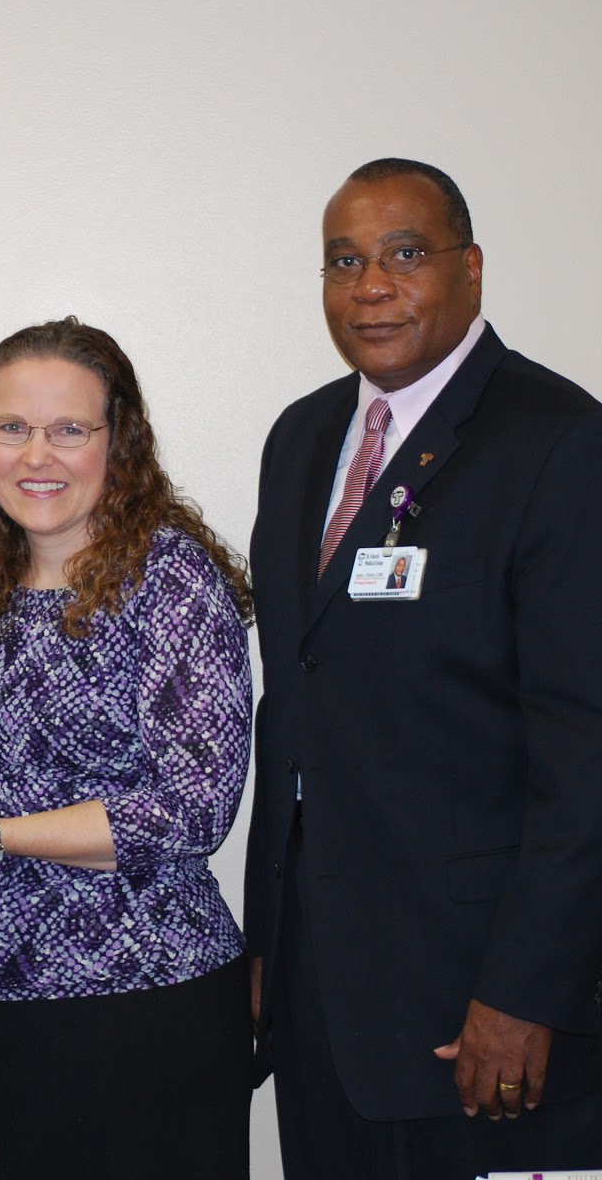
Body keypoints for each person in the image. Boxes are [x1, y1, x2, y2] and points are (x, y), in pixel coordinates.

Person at [245, 158, 602, 1178]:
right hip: (318, 991)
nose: (371, 286)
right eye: (343, 261)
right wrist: (269, 939)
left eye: (405, 254)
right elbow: (297, 700)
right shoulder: (302, 437)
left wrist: (527, 991)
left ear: (471, 270)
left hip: (476, 1012)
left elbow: (585, 755)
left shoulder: (558, 442)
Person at [0, 318, 255, 1178]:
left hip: (133, 1013)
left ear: (121, 442)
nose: (38, 455)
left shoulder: (172, 581)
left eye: (69, 429)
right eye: (12, 428)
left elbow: (193, 809)